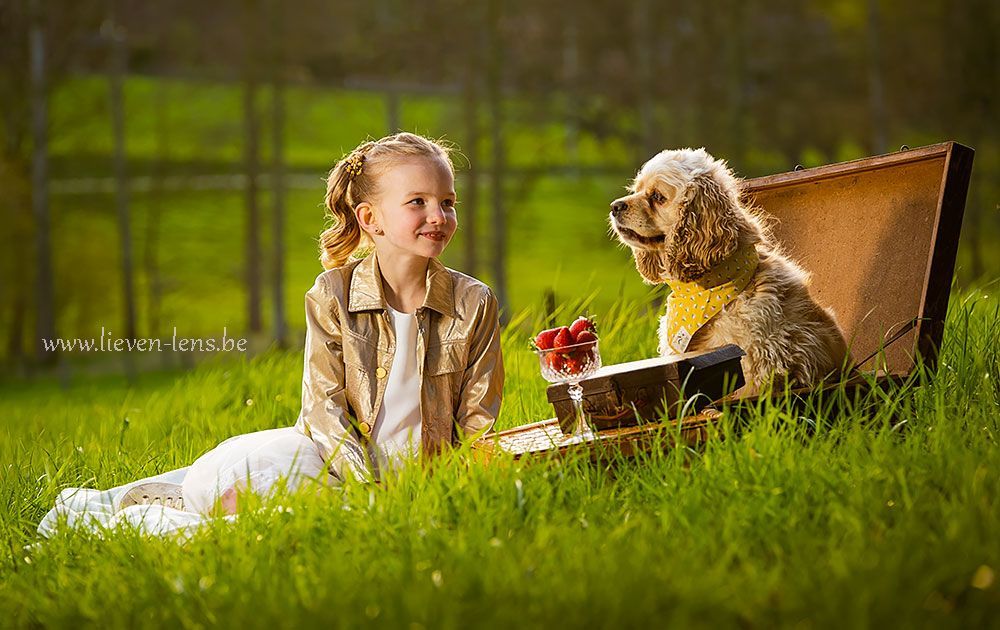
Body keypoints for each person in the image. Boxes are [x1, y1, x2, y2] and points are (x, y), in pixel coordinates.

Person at [37, 132, 504, 536]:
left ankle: (164, 504)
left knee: (302, 528)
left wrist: (443, 484)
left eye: (447, 202)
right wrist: (368, 489)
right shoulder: (333, 294)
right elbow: (324, 408)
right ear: (369, 218)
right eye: (417, 202)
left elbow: (478, 415)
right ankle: (138, 512)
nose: (438, 215)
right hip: (334, 462)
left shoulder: (473, 301)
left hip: (421, 474)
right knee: (256, 509)